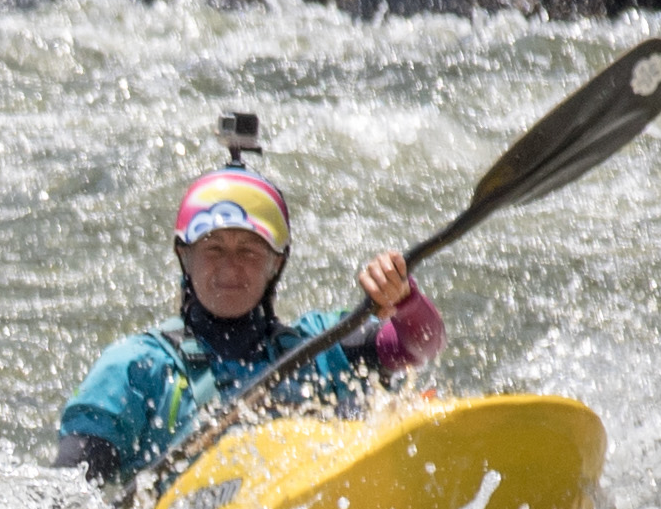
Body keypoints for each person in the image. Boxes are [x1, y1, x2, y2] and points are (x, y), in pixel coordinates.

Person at [50, 154, 445, 485]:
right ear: (184, 256)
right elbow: (70, 491)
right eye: (213, 249)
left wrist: (404, 298)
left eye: (249, 251)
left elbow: (420, 346)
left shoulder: (321, 346)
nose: (229, 269)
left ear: (277, 262)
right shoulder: (136, 368)